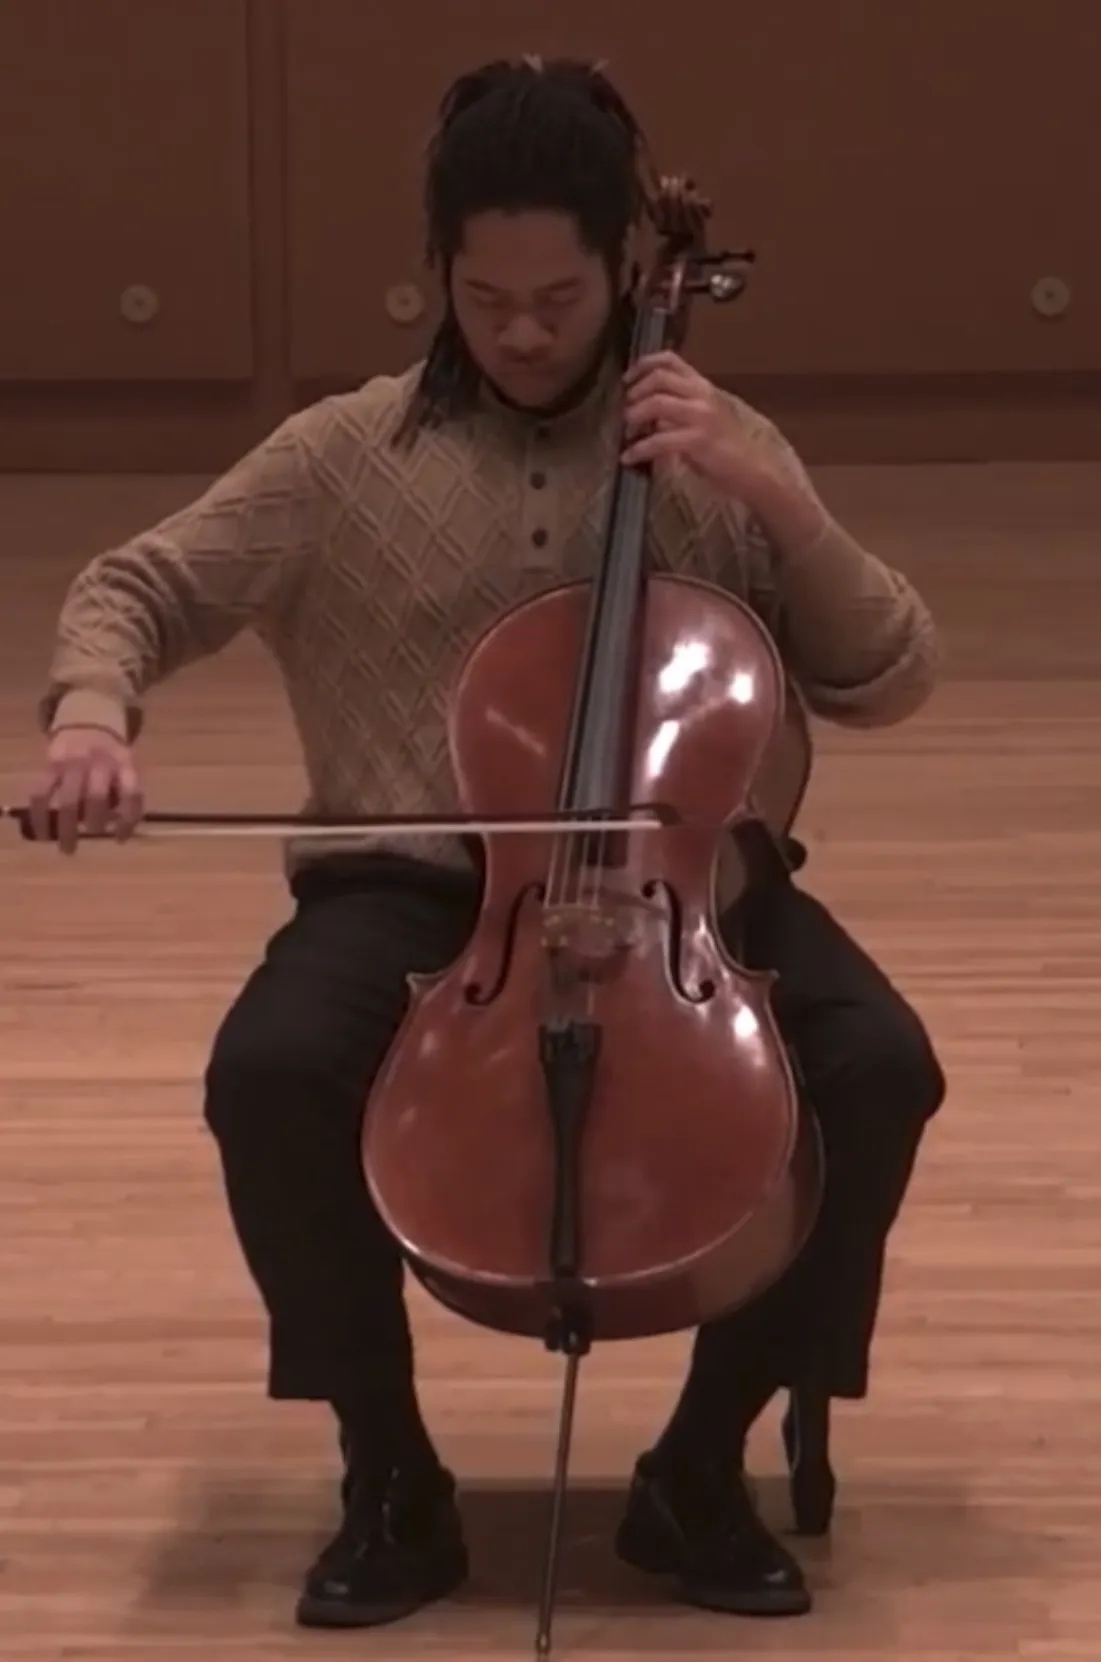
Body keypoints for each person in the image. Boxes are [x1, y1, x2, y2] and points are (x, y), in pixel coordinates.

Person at [27, 56, 946, 1631]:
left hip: (686, 888)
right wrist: (91, 716)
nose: (522, 331)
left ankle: (698, 1465)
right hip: (416, 891)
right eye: (484, 295)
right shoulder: (342, 458)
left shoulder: (705, 451)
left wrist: (780, 501)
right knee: (269, 1070)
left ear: (623, 271)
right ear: (437, 270)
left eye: (560, 297)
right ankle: (388, 1469)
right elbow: (136, 585)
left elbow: (888, 674)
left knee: (875, 1067)